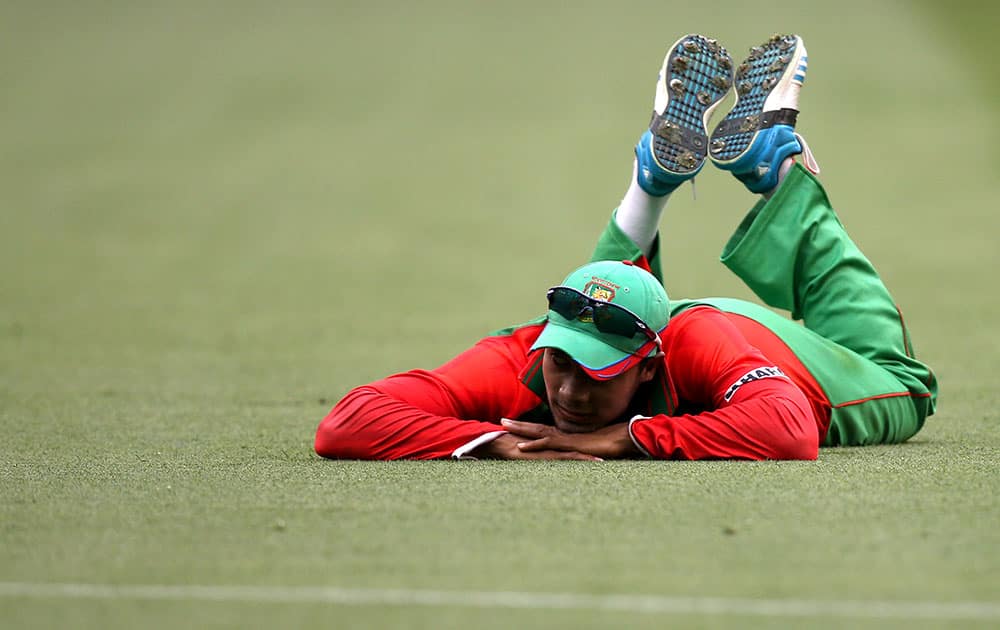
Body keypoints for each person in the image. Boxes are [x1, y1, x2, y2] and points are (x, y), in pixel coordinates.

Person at [314, 33, 937, 461]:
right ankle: (647, 190)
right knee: (603, 294)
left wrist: (617, 438)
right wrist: (489, 442)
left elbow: (789, 429)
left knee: (907, 387)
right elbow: (346, 421)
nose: (570, 393)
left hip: (774, 351)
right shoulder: (525, 355)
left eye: (598, 374)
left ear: (647, 365)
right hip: (660, 316)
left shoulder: (695, 347)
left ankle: (778, 175)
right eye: (564, 362)